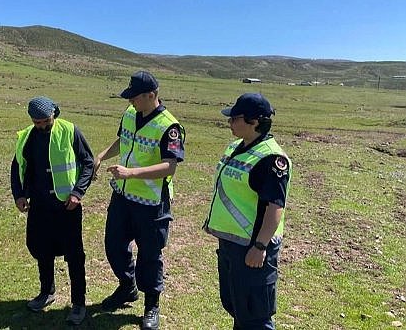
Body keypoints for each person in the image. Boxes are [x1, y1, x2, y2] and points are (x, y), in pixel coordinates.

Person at [94, 71, 185, 330]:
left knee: (149, 255)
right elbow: (124, 141)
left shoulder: (170, 126)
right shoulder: (130, 113)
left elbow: (169, 167)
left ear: (151, 95)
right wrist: (102, 155)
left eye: (135, 97)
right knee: (114, 244)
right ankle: (127, 288)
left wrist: (130, 173)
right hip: (122, 196)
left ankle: (151, 306)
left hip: (151, 203)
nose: (131, 101)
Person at [203, 92, 292, 330]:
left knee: (255, 315)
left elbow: (276, 207)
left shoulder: (271, 159)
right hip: (232, 243)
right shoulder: (237, 147)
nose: (229, 122)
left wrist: (260, 246)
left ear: (254, 122)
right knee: (237, 305)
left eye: (235, 118)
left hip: (253, 247)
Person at [10, 96, 94, 326]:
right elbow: (17, 165)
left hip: (67, 207)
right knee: (41, 250)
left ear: (54, 114)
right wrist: (19, 194)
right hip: (39, 206)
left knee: (74, 256)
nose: (41, 126)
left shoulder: (70, 131)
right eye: (37, 122)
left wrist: (78, 193)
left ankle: (78, 303)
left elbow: (88, 162)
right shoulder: (27, 136)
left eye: (45, 121)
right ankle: (47, 291)